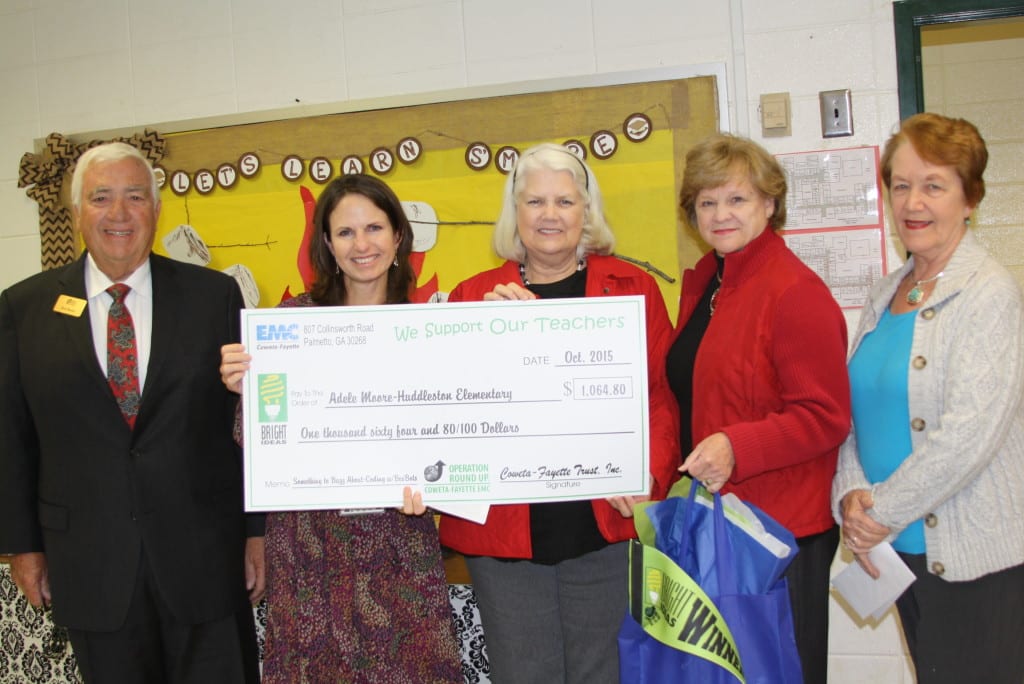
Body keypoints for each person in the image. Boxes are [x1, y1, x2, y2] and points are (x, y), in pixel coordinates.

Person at [0, 142, 264, 683]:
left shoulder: (214, 296)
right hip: (91, 563)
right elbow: (11, 437)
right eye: (101, 198)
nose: (118, 214)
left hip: (205, 559)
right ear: (76, 214)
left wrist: (255, 532)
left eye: (134, 197)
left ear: (157, 209)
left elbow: (248, 424)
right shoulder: (22, 309)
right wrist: (22, 548)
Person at [437, 142, 680, 683]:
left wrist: (649, 474)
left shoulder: (633, 288)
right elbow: (452, 410)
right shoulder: (475, 297)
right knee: (524, 675)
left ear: (586, 212)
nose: (550, 215)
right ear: (514, 213)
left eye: (566, 202)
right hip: (507, 539)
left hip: (602, 524)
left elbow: (659, 399)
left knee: (603, 674)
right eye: (535, 201)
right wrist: (481, 336)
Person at [219, 174, 463, 683]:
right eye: (346, 232)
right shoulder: (290, 324)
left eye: (374, 227)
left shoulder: (431, 333)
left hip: (398, 540)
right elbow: (253, 437)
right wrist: (246, 389)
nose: (362, 244)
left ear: (399, 236)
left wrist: (439, 488)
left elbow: (454, 442)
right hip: (310, 547)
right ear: (327, 244)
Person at [832, 113, 1024, 683]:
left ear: (970, 199)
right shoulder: (887, 290)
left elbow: (971, 435)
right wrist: (850, 497)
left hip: (973, 561)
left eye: (934, 185)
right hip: (899, 554)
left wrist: (879, 513)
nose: (913, 202)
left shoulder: (989, 293)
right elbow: (853, 414)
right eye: (901, 184)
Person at [666, 133, 851, 684]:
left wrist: (736, 447)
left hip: (778, 533)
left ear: (770, 204)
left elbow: (826, 415)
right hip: (717, 523)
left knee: (777, 673)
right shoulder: (708, 283)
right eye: (706, 202)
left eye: (737, 199)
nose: (720, 214)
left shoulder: (794, 291)